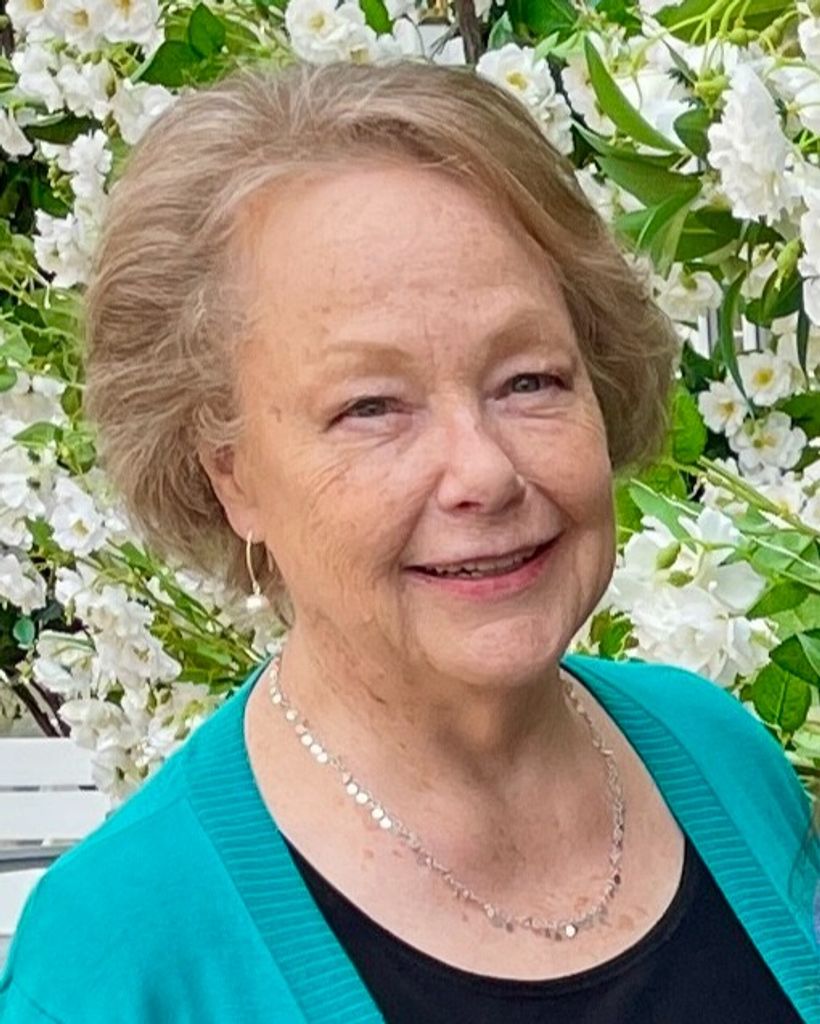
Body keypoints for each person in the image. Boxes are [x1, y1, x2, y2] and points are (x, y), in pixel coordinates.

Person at [0, 59, 817, 1024]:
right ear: (231, 476)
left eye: (530, 380)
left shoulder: (716, 752)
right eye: (371, 407)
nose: (483, 472)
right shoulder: (119, 959)